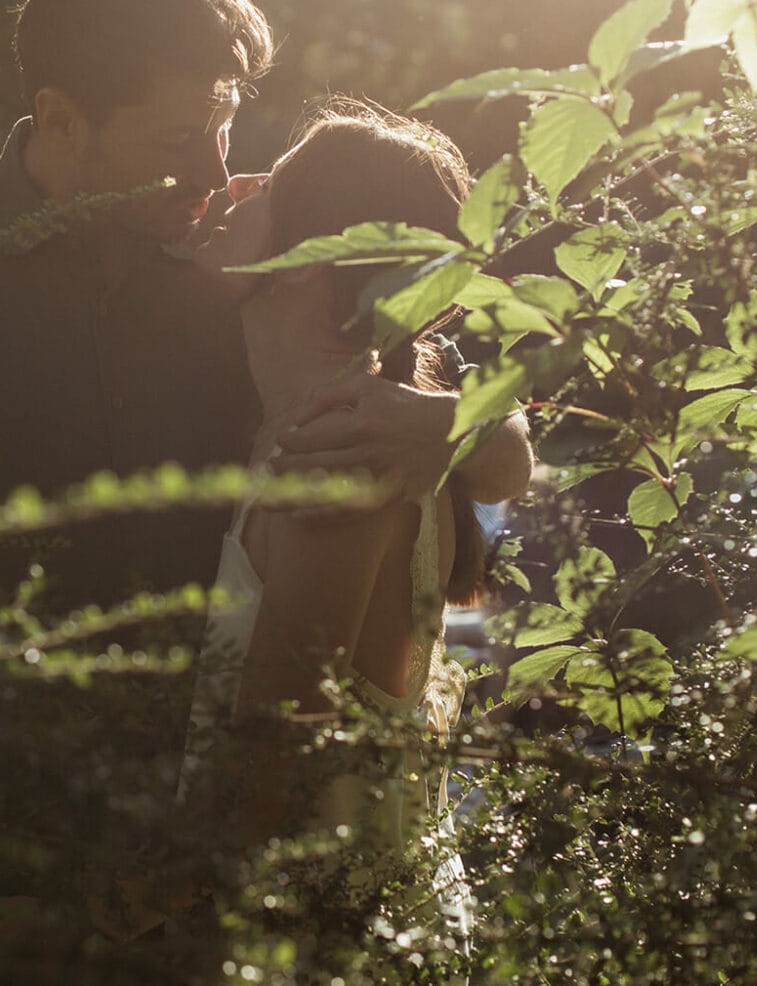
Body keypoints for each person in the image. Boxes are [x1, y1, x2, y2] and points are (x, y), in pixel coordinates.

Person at [0, 0, 529, 980]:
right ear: (61, 118)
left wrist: (449, 424)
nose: (215, 165)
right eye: (176, 139)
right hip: (14, 837)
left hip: (238, 833)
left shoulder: (261, 252)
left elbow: (487, 435)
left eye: (225, 122)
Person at [179, 101, 488, 959]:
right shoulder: (329, 424)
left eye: (270, 187)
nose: (234, 188)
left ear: (310, 263)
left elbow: (283, 734)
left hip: (326, 942)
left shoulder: (337, 460)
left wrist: (158, 891)